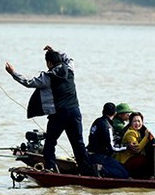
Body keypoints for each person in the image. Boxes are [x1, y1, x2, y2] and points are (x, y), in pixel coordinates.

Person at [5, 45, 91, 175]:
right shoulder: (70, 69)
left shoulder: (48, 77)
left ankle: (50, 168)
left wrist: (13, 73)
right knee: (78, 143)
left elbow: (28, 82)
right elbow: (69, 57)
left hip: (59, 114)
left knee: (50, 143)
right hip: (75, 112)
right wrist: (55, 51)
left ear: (49, 63)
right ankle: (87, 171)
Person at [87, 103, 129, 178]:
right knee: (124, 174)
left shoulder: (97, 121)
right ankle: (100, 169)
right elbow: (112, 147)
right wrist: (127, 147)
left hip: (90, 154)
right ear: (115, 113)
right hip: (99, 156)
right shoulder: (108, 126)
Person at [115, 112, 153, 178]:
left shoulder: (137, 131)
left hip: (130, 159)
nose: (137, 123)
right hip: (125, 162)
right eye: (134, 121)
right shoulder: (131, 133)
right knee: (143, 159)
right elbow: (136, 149)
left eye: (139, 121)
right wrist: (147, 138)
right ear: (130, 122)